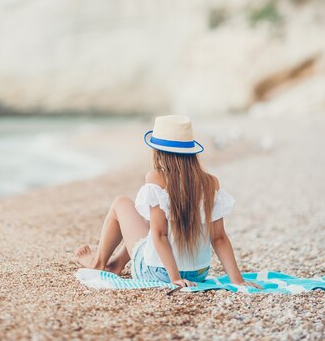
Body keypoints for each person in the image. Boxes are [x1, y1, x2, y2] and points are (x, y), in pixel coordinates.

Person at [75, 115, 262, 289]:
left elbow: (159, 235)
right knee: (152, 220)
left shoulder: (156, 178)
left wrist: (174, 278)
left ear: (158, 152)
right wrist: (238, 281)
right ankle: (116, 263)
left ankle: (98, 263)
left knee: (121, 203)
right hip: (198, 274)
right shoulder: (211, 183)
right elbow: (219, 238)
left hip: (158, 272)